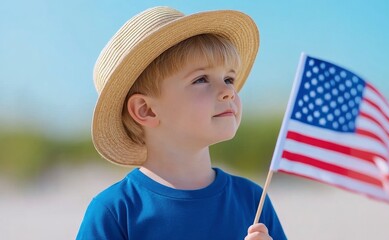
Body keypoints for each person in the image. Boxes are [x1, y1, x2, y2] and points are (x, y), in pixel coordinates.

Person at [76, 6, 287, 240]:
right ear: (146, 110)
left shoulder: (252, 200)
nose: (228, 91)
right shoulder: (115, 211)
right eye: (201, 79)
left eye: (229, 78)